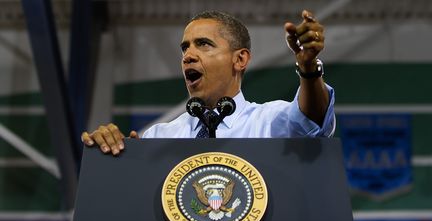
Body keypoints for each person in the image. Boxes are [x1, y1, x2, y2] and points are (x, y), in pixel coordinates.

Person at [81, 9, 335, 155]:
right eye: (185, 48)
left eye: (203, 44)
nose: (188, 55)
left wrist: (309, 67)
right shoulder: (159, 137)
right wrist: (110, 150)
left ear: (240, 59)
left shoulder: (271, 122)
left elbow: (313, 118)